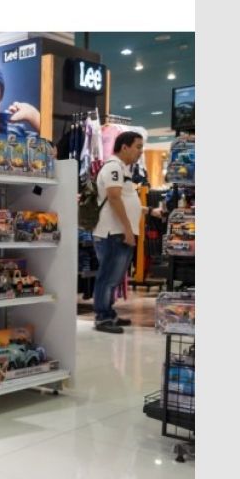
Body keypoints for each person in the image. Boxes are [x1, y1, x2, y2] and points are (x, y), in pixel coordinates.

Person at [92, 131, 163, 334]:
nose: (140, 151)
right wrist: (127, 230)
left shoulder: (123, 169)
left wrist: (149, 211)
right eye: (138, 147)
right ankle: (102, 318)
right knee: (107, 277)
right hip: (113, 233)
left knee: (113, 278)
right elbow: (114, 198)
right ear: (124, 147)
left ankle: (108, 313)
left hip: (119, 232)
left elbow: (126, 200)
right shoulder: (113, 167)